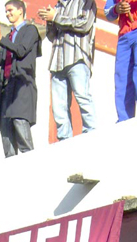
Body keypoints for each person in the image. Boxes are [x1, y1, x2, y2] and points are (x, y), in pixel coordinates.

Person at [0, 0, 41, 158]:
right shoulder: (9, 36)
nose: (8, 14)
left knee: (20, 125)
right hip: (6, 87)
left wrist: (1, 38)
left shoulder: (30, 30)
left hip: (21, 86)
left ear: (21, 10)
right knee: (6, 132)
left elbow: (21, 51)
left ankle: (31, 166)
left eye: (10, 10)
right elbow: (1, 60)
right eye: (6, 11)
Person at [38, 0, 96, 140]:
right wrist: (50, 21)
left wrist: (56, 17)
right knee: (58, 107)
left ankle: (92, 134)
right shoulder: (58, 6)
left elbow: (84, 24)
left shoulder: (86, 2)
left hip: (77, 57)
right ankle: (64, 140)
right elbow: (52, 36)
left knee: (83, 97)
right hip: (57, 60)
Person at [104, 0, 137, 121]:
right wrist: (117, 9)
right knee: (122, 79)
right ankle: (124, 121)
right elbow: (107, 12)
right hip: (124, 35)